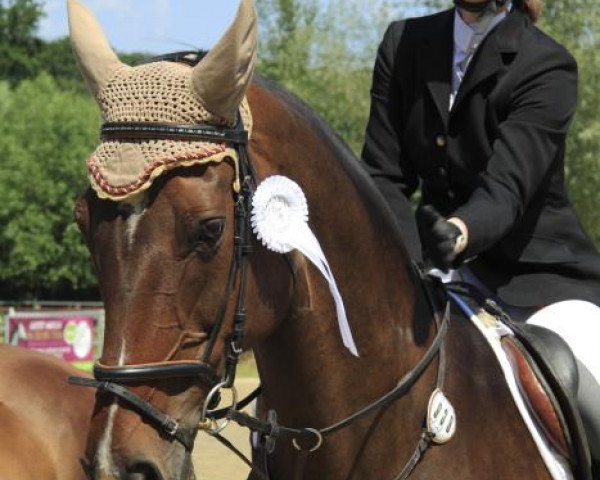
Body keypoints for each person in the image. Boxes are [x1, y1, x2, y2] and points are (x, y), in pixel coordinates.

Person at [361, 0, 600, 474]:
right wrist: (409, 264)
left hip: (540, 284)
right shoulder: (403, 44)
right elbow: (383, 176)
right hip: (438, 278)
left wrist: (459, 232)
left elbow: (507, 190)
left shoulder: (545, 63)